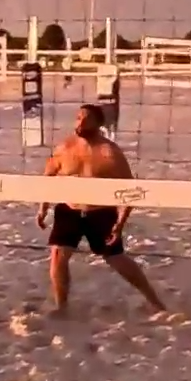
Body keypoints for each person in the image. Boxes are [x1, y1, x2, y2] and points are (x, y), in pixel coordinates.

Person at [36, 103, 165, 315]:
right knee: (58, 256)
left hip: (101, 213)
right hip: (69, 209)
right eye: (78, 118)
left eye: (86, 119)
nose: (80, 123)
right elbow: (48, 179)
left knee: (117, 259)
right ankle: (61, 307)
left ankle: (155, 302)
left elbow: (129, 190)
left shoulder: (109, 152)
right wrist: (43, 209)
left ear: (99, 124)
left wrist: (120, 223)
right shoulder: (64, 148)